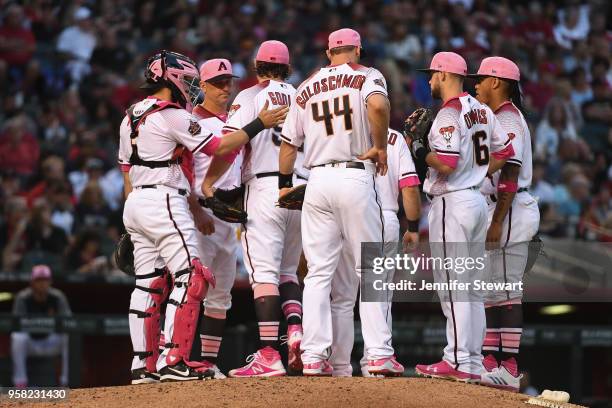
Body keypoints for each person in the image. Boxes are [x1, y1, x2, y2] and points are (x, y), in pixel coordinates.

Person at [119, 50, 288, 383]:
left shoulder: (130, 117)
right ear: (173, 78)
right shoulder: (175, 115)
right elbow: (219, 149)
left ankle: (143, 364)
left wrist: (133, 219)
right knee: (192, 277)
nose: (193, 86)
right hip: (168, 199)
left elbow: (126, 170)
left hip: (138, 200)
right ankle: (174, 359)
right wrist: (260, 123)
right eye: (191, 80)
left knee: (148, 285)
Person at [278, 28, 397, 376]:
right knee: (371, 268)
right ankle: (377, 353)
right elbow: (377, 104)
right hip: (354, 174)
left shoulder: (306, 86)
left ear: (328, 53)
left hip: (317, 180)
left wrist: (285, 185)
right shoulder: (367, 75)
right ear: (357, 50)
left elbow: (288, 145)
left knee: (317, 273)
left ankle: (314, 355)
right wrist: (381, 145)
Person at [408, 52, 514, 381]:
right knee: (473, 290)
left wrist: (418, 148)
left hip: (452, 203)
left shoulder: (449, 112)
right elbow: (506, 151)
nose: (429, 80)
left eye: (432, 74)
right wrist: (478, 171)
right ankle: (470, 362)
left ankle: (455, 360)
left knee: (453, 287)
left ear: (443, 74)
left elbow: (447, 163)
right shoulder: (482, 109)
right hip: (478, 204)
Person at [204, 41, 305, 378]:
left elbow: (229, 146)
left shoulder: (249, 96)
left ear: (257, 65)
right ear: (287, 68)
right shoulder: (304, 97)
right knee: (289, 272)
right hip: (301, 189)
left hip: (263, 187)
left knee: (264, 276)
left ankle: (267, 353)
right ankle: (294, 328)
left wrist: (209, 183)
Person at [470, 56, 540, 392]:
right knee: (492, 289)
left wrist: (497, 221)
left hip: (510, 207)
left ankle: (507, 365)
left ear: (496, 82)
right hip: (501, 206)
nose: (476, 84)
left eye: (480, 79)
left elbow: (509, 173)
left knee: (507, 288)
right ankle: (491, 361)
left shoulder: (509, 118)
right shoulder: (497, 117)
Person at [328, 128, 421, 377]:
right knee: (378, 295)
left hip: (343, 216)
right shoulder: (394, 138)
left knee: (342, 299)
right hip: (382, 217)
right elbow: (410, 186)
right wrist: (413, 226)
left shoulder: (342, 130)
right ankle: (375, 362)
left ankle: (338, 367)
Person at [186, 58, 241, 379]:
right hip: (202, 213)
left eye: (228, 82)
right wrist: (194, 209)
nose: (225, 88)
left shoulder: (234, 121)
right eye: (218, 82)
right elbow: (182, 171)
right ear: (202, 86)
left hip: (229, 217)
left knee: (221, 295)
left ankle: (207, 363)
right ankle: (173, 355)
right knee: (191, 287)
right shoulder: (190, 121)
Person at [11, 265, 70, 387]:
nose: (42, 284)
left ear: (50, 282)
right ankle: (20, 383)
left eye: (45, 280)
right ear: (32, 282)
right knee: (17, 337)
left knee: (68, 337)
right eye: (39, 280)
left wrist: (52, 321)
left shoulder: (57, 297)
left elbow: (69, 322)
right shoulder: (23, 298)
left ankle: (66, 382)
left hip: (50, 342)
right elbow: (16, 324)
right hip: (31, 343)